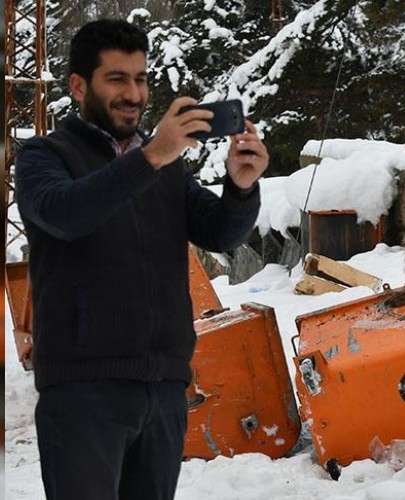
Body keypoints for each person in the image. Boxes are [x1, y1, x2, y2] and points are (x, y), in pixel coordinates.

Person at [14, 19, 269, 500]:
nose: (133, 93)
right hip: (83, 393)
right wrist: (152, 156)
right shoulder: (44, 157)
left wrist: (241, 185)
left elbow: (220, 233)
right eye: (117, 79)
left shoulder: (163, 164)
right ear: (78, 85)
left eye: (141, 79)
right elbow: (66, 214)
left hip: (163, 390)